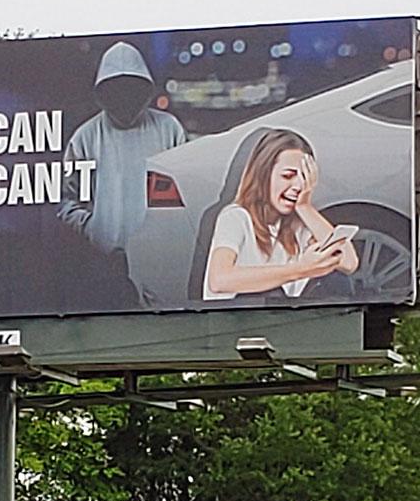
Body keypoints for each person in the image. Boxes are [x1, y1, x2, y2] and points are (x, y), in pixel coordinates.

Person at [58, 41, 186, 304]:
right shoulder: (85, 137)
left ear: (144, 87)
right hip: (101, 264)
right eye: (116, 88)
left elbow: (184, 191)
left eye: (131, 87)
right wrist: (97, 231)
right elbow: (67, 202)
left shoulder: (168, 128)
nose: (124, 95)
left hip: (162, 262)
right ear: (104, 90)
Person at [203, 128, 358, 301]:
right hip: (239, 321)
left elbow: (349, 263)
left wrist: (305, 207)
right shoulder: (236, 217)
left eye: (304, 178)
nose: (298, 185)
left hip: (281, 319)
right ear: (263, 175)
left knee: (338, 281)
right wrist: (300, 269)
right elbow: (219, 280)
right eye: (288, 176)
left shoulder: (297, 225)